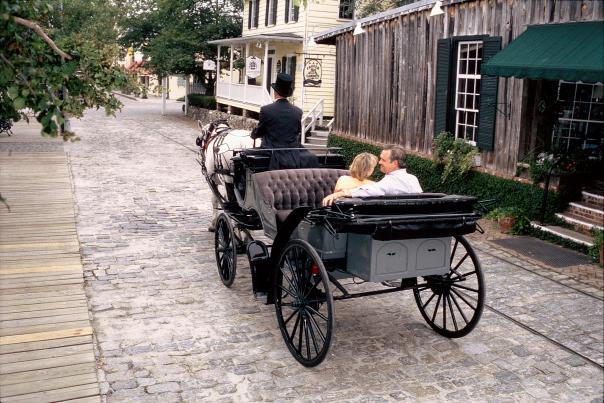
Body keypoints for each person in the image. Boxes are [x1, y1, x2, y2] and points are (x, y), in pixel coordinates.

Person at [251, 73, 318, 170]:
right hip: (292, 151)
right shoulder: (297, 111)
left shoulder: (266, 110)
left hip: (272, 151)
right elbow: (297, 131)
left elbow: (259, 131)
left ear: (275, 92)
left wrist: (253, 134)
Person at [322, 145, 422, 206]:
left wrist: (338, 194)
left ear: (395, 163)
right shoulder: (413, 179)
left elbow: (368, 190)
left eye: (383, 160)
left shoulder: (388, 182)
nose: (379, 162)